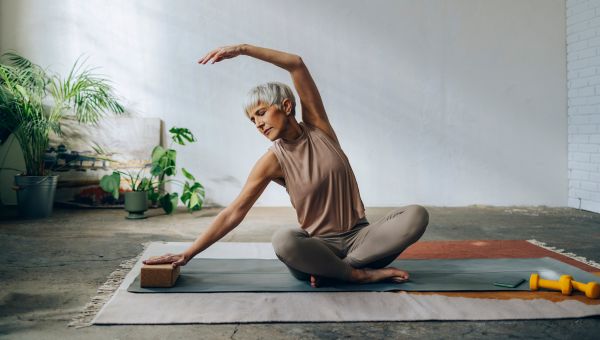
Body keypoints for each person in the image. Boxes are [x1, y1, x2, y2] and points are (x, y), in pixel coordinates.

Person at [143, 44, 429, 288]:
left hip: (361, 241)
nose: (258, 124)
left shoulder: (320, 128)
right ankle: (354, 275)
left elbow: (296, 65)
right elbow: (234, 212)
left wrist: (241, 49)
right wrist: (188, 253)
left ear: (287, 106)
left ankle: (341, 272)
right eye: (252, 120)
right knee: (284, 240)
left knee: (416, 215)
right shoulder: (272, 161)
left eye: (262, 113)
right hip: (317, 248)